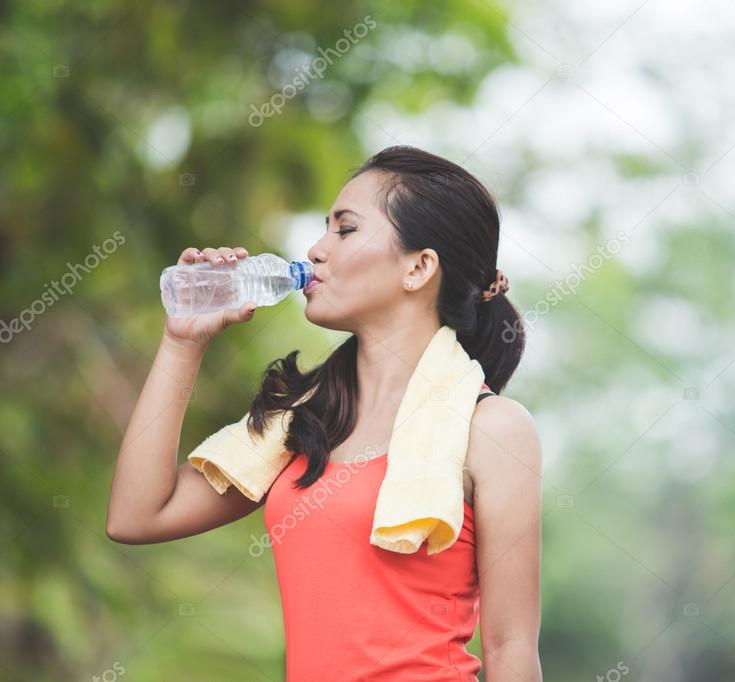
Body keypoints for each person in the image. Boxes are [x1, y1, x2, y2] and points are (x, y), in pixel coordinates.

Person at [106, 146, 543, 681]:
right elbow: (136, 516)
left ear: (418, 267)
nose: (315, 250)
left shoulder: (491, 429)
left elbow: (512, 649)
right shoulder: (299, 424)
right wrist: (181, 344)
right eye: (324, 229)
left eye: (346, 230)